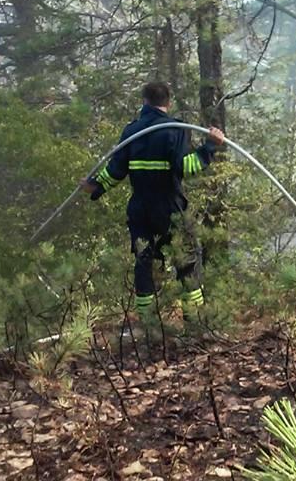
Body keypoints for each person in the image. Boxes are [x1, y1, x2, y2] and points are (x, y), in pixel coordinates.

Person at [80, 82, 225, 315]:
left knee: (144, 263)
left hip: (140, 211)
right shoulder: (175, 129)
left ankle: (147, 326)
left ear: (144, 101)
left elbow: (116, 170)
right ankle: (195, 321)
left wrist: (95, 185)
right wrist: (210, 146)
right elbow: (187, 167)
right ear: (168, 102)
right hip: (172, 209)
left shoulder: (132, 131)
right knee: (186, 262)